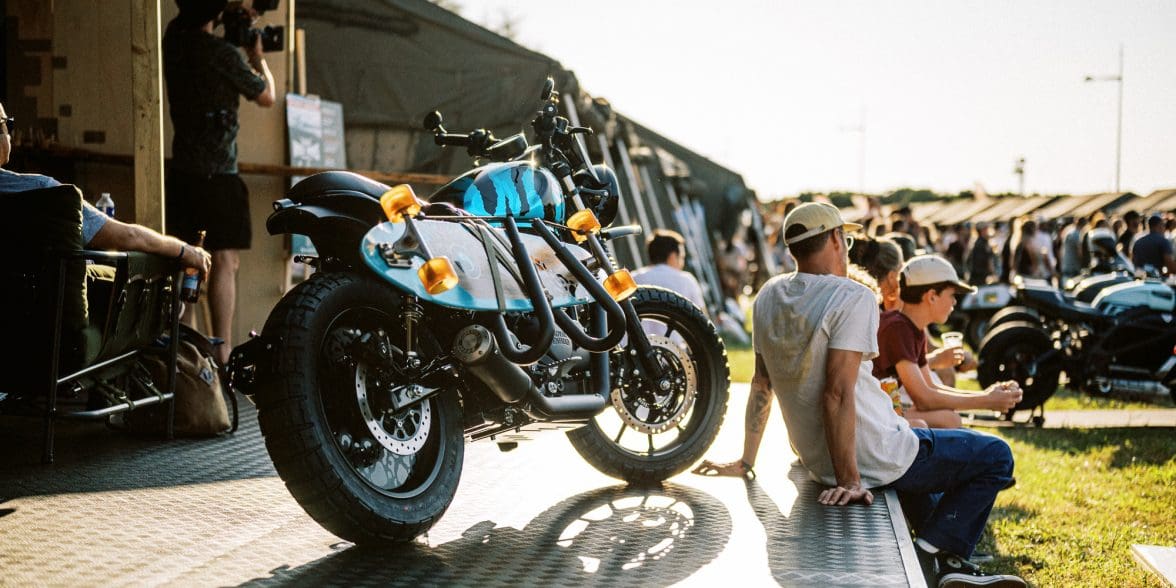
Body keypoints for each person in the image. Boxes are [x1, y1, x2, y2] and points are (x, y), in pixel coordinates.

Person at [697, 203, 1025, 587]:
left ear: (793, 250)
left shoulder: (768, 296)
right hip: (872, 453)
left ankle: (946, 560)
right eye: (846, 239)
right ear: (837, 239)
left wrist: (745, 459)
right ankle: (936, 556)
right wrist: (850, 480)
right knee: (995, 456)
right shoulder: (852, 296)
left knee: (924, 452)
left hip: (818, 459)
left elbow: (761, 385)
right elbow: (837, 392)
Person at [163, 0, 276, 363]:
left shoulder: (172, 41)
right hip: (220, 175)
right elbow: (266, 96)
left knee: (186, 260)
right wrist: (256, 56)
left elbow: (191, 25)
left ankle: (186, 349)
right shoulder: (224, 54)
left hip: (182, 172)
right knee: (225, 261)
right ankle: (222, 350)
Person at [0, 100, 211, 274]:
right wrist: (185, 251)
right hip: (47, 313)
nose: (10, 133)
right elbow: (128, 237)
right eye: (7, 125)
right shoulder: (42, 191)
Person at [874, 255, 1022, 428]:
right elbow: (923, 399)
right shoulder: (898, 328)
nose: (954, 301)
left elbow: (931, 388)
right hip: (869, 415)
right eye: (951, 294)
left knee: (949, 418)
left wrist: (987, 395)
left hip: (880, 409)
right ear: (931, 296)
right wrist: (987, 401)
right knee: (938, 422)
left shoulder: (912, 328)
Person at [632, 229, 706, 312]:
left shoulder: (633, 278)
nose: (682, 263)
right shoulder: (687, 280)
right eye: (682, 257)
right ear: (673, 256)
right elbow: (702, 317)